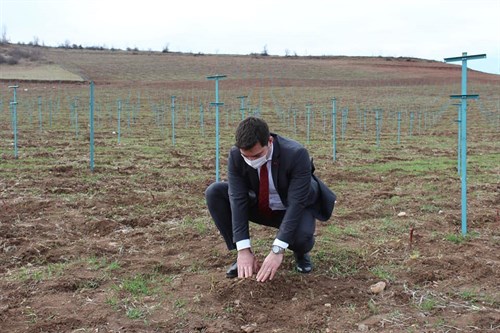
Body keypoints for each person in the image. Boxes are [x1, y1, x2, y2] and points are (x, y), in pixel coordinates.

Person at [205, 117, 335, 283]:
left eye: (257, 155)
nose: (252, 161)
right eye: (247, 156)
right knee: (215, 192)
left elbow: (297, 203)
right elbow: (237, 199)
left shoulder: (296, 154)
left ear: (270, 141)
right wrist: (243, 249)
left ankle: (300, 253)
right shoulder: (236, 155)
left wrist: (277, 250)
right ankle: (244, 258)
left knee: (302, 238)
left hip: (291, 207)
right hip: (261, 205)